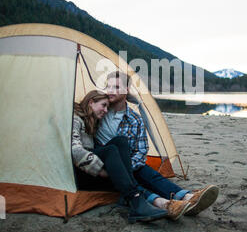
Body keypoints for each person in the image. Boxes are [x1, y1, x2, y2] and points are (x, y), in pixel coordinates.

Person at [95, 71, 219, 216]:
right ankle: (165, 203)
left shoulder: (135, 119)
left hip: (128, 163)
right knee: (130, 173)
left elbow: (141, 152)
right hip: (105, 163)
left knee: (145, 171)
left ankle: (186, 197)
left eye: (116, 87)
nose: (110, 91)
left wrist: (127, 166)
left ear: (126, 90)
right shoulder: (100, 110)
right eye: (108, 87)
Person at [71, 90, 192, 223]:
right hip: (81, 174)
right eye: (103, 105)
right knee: (111, 151)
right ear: (91, 102)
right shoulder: (76, 119)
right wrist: (101, 171)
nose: (106, 110)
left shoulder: (93, 122)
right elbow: (75, 150)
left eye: (107, 106)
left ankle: (155, 198)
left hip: (93, 170)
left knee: (121, 141)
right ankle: (139, 200)